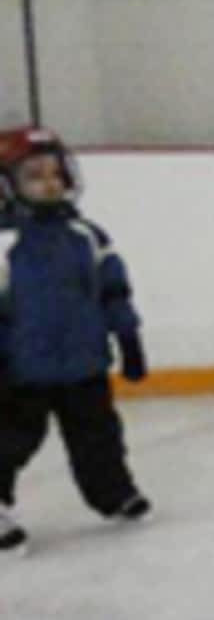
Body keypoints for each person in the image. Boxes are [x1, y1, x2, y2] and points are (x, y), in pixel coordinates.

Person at [0, 128, 152, 554]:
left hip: (84, 363)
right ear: (7, 184)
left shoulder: (86, 234)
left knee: (98, 435)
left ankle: (113, 493)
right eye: (34, 175)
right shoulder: (4, 243)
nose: (50, 183)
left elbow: (113, 288)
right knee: (10, 440)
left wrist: (127, 334)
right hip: (21, 369)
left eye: (56, 173)